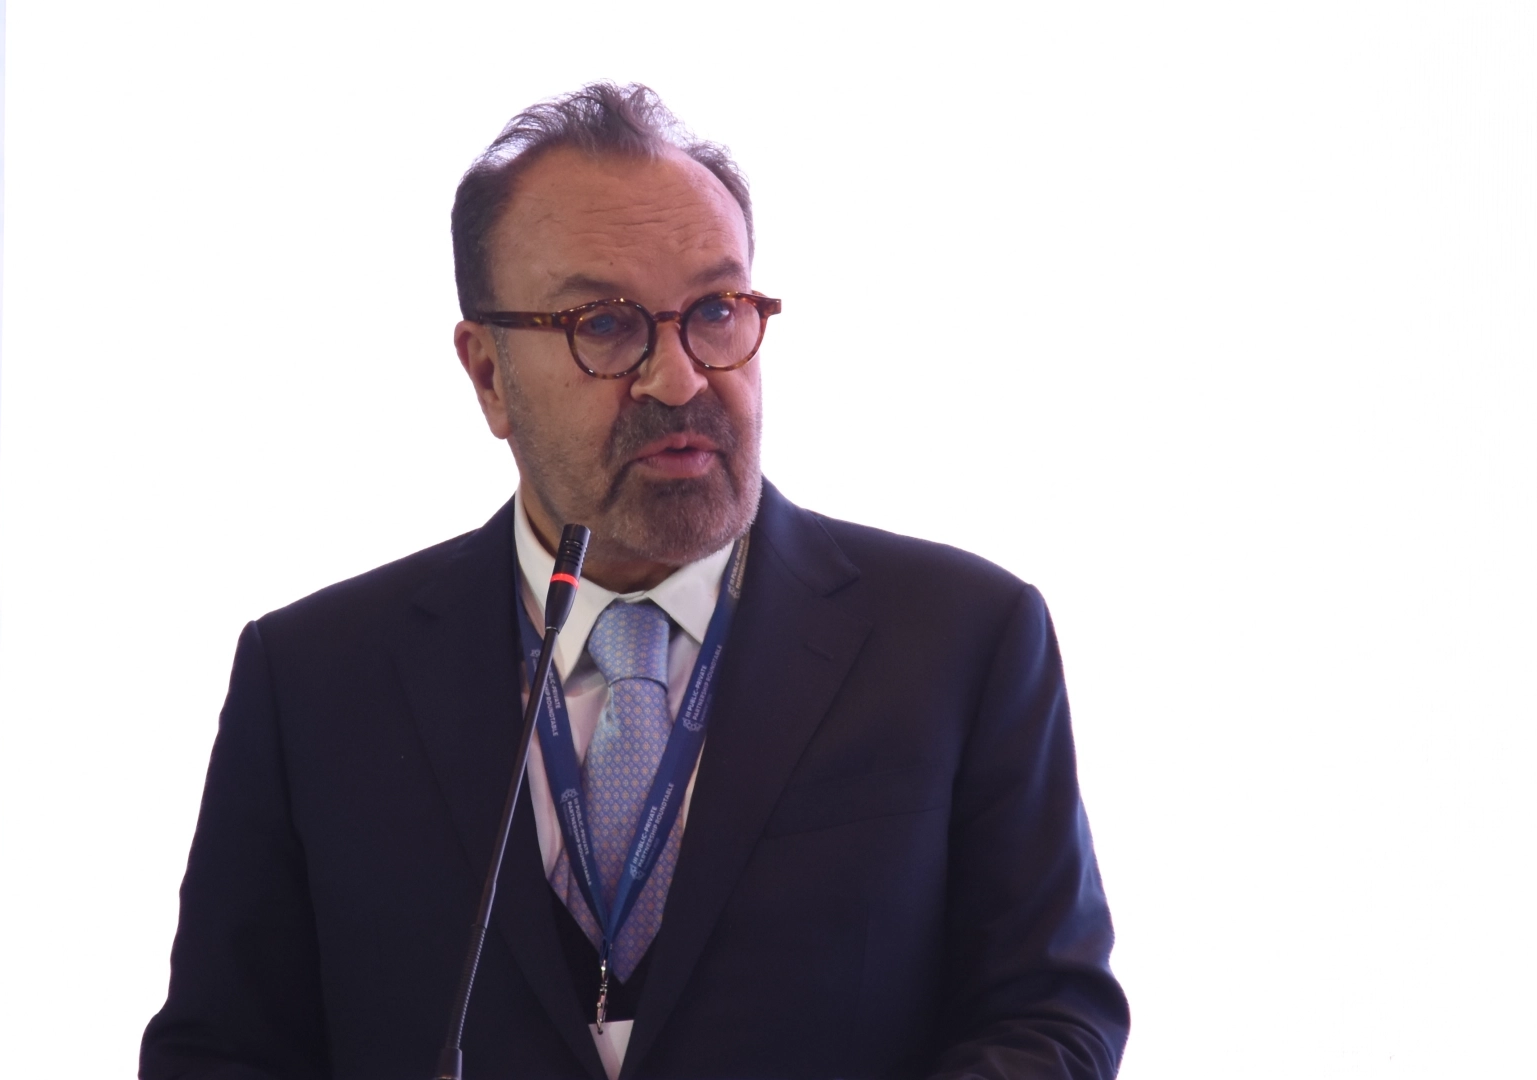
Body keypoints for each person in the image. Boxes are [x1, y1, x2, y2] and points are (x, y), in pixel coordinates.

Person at [140, 83, 1130, 1080]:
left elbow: (1048, 1017)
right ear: (488, 374)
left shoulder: (958, 639)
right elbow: (222, 1053)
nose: (680, 378)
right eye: (606, 325)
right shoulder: (315, 678)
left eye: (715, 311)